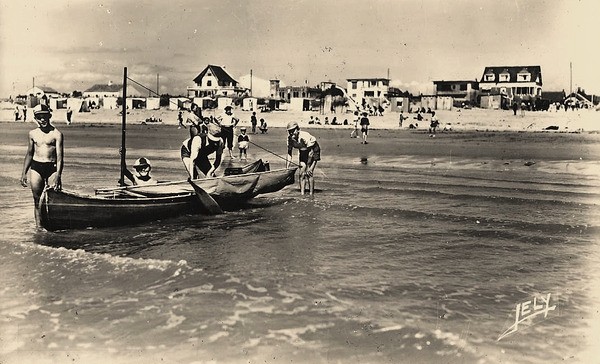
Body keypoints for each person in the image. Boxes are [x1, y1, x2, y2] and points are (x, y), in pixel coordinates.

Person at [20, 104, 64, 228]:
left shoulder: (57, 134)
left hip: (52, 167)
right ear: (36, 118)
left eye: (45, 117)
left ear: (49, 116)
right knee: (36, 199)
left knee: (53, 198)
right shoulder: (32, 134)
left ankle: (52, 225)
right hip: (36, 167)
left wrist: (58, 175)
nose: (42, 120)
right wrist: (24, 172)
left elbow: (60, 157)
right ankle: (39, 227)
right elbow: (29, 153)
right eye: (39, 117)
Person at [286, 121, 320, 196]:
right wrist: (287, 167)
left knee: (309, 173)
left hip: (313, 150)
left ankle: (311, 194)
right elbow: (289, 153)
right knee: (301, 173)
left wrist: (309, 167)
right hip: (303, 150)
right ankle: (302, 194)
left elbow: (311, 152)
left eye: (293, 131)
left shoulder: (304, 136)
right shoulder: (290, 139)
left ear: (298, 129)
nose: (291, 133)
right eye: (289, 131)